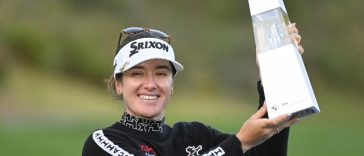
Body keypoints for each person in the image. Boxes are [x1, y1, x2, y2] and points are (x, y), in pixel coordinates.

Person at [82, 24, 303, 156]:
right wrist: (240, 142)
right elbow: (238, 146)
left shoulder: (196, 136)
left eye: (161, 73)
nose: (150, 83)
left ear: (171, 84)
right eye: (137, 73)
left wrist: (274, 73)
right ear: (118, 84)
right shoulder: (102, 143)